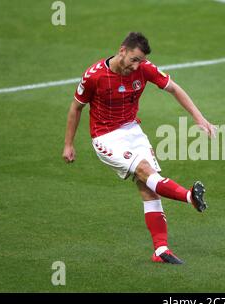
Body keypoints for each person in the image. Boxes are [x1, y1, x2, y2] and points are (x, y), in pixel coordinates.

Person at [62, 32, 216, 265]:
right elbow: (76, 108)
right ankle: (188, 197)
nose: (137, 66)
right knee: (145, 170)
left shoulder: (144, 68)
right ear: (122, 50)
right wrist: (68, 144)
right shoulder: (94, 76)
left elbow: (174, 88)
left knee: (148, 187)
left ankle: (160, 250)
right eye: (134, 59)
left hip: (133, 131)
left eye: (140, 61)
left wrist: (199, 118)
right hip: (106, 137)